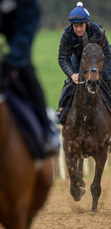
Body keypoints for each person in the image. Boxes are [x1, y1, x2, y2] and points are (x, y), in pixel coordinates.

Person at [0, 0, 60, 156]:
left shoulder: (28, 4)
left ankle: (47, 130)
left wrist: (13, 60)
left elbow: (26, 30)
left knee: (26, 75)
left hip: (17, 53)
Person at [57, 2, 111, 123]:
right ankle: (60, 109)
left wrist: (99, 70)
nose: (78, 29)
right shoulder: (66, 35)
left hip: (99, 58)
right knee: (70, 82)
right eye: (75, 26)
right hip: (80, 59)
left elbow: (107, 54)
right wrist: (72, 74)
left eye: (81, 25)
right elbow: (63, 58)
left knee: (108, 79)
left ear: (87, 23)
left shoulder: (98, 31)